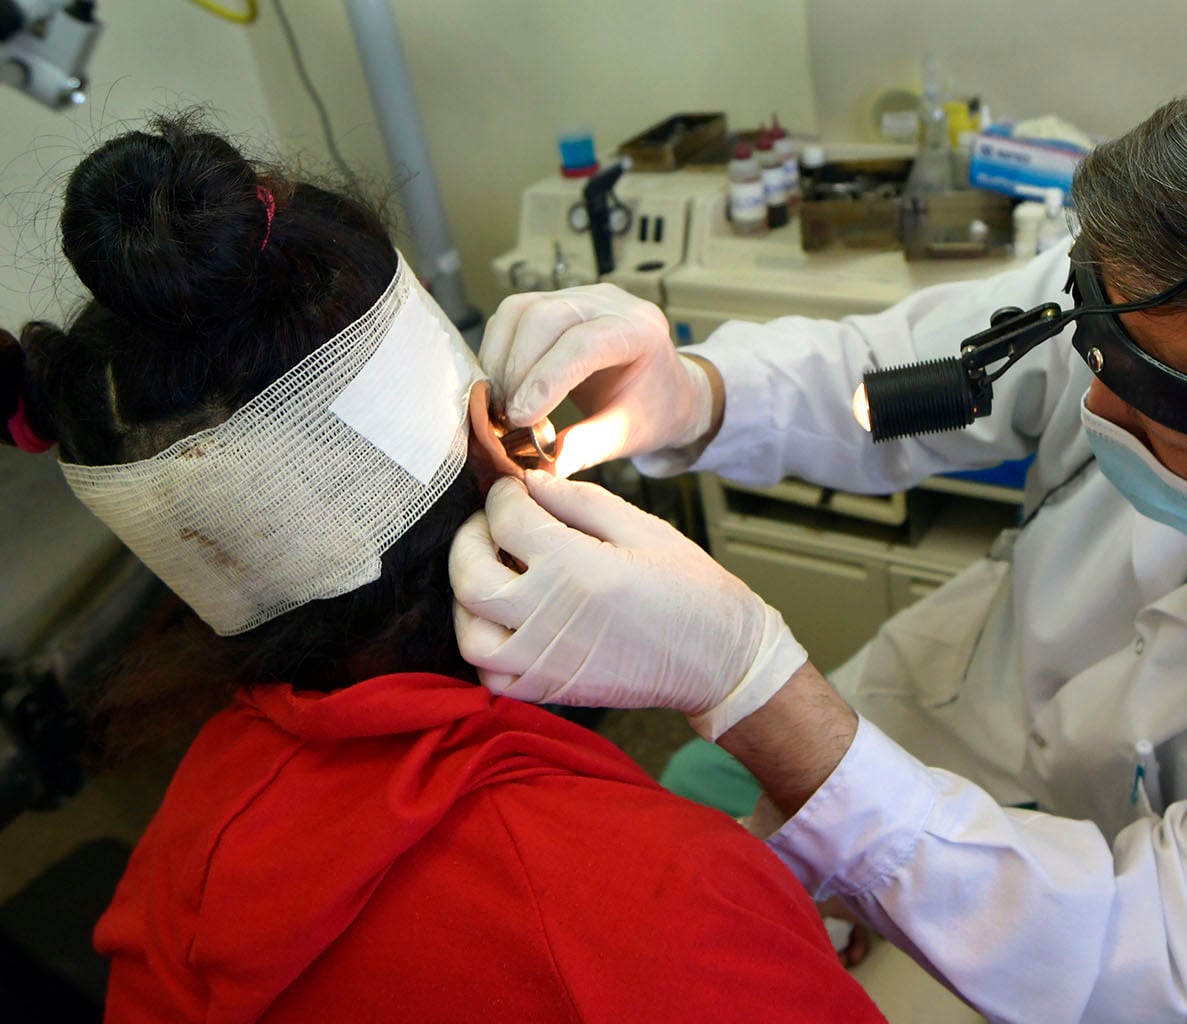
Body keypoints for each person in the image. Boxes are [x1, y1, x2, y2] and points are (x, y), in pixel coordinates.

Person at [449, 5, 1187, 1023]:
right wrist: (694, 393)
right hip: (955, 712)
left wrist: (757, 690)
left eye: (1157, 417)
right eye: (1094, 340)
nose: (1086, 394)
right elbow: (915, 369)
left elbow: (1153, 952)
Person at [1, 115, 883, 1023]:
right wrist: (760, 688)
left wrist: (702, 394)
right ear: (504, 444)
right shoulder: (670, 909)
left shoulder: (181, 856)